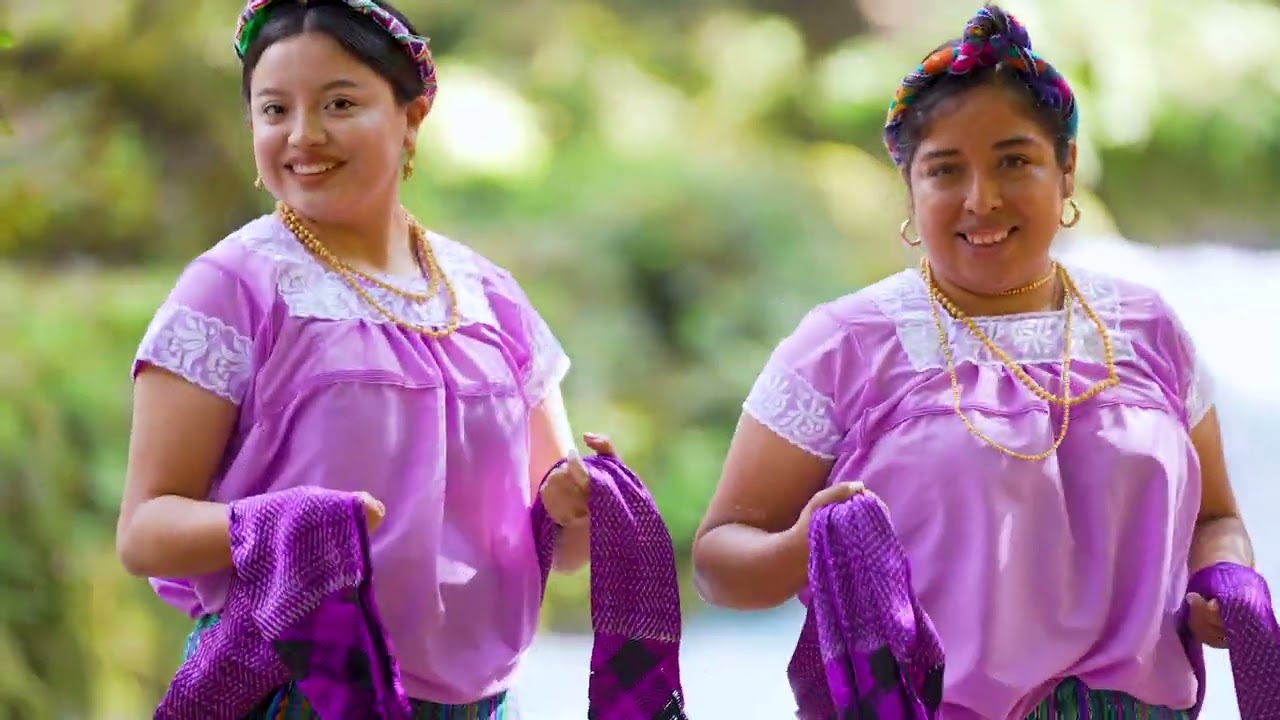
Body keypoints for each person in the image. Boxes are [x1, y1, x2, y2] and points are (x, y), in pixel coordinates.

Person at [691, 5, 1255, 719]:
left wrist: (1227, 580)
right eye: (945, 170)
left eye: (1014, 161)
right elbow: (718, 563)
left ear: (1067, 168)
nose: (981, 200)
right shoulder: (846, 343)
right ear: (910, 187)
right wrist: (807, 546)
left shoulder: (1146, 330)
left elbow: (1216, 519)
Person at [114, 1, 610, 716]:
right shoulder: (232, 288)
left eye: (339, 103)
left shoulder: (491, 298)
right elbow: (144, 533)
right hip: (288, 690)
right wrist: (286, 521)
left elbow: (560, 547)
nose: (303, 135)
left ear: (413, 116)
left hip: (478, 703)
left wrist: (581, 505)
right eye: (274, 109)